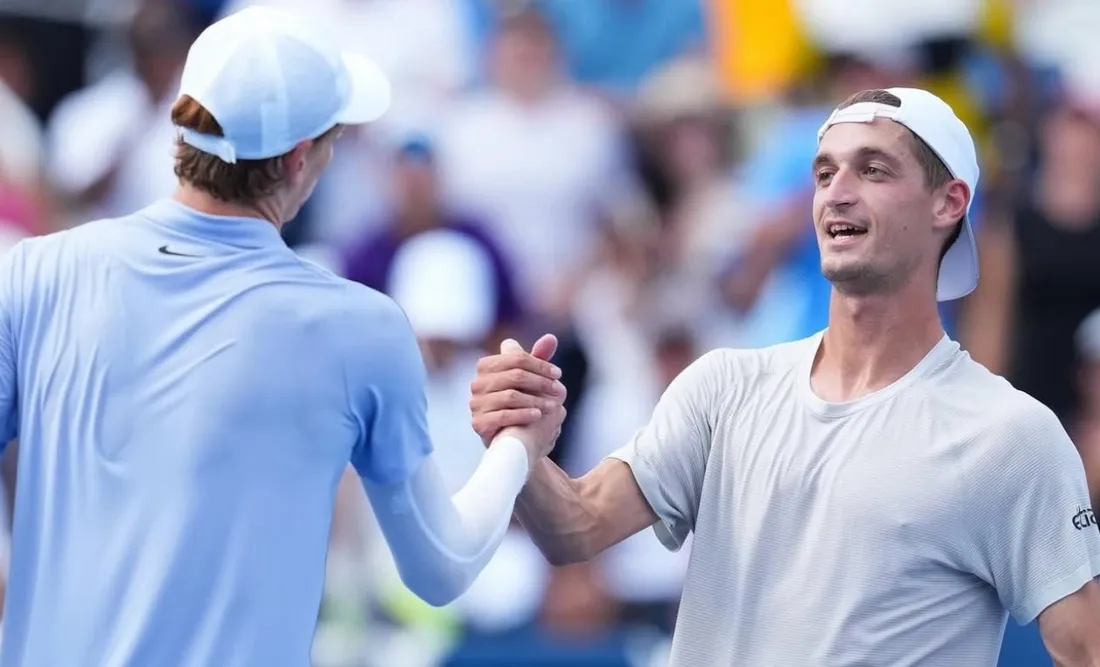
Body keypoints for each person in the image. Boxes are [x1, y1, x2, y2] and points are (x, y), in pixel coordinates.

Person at [0, 7, 566, 667]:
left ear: (183, 125)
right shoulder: (363, 326)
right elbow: (441, 566)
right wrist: (520, 443)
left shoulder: (32, 272)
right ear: (302, 157)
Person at [469, 88, 1100, 665]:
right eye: (825, 172)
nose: (835, 191)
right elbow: (577, 526)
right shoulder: (722, 386)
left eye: (873, 169)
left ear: (949, 202)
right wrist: (521, 444)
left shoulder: (1011, 435)